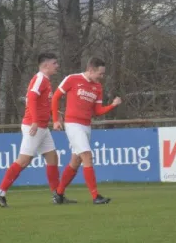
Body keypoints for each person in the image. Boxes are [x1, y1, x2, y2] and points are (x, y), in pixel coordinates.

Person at [0, 52, 76, 207]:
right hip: (34, 127)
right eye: (54, 63)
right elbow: (31, 98)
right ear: (45, 65)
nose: (57, 66)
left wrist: (54, 114)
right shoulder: (40, 79)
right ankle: (0, 193)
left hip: (42, 128)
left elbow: (42, 103)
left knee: (52, 158)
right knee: (24, 160)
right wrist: (35, 122)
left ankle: (57, 195)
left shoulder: (45, 80)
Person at [51, 57, 122, 205]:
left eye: (103, 74)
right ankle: (95, 196)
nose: (102, 77)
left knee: (75, 161)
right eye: (100, 74)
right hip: (73, 124)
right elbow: (55, 97)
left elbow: (97, 111)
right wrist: (56, 119)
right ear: (91, 70)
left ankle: (58, 194)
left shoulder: (97, 87)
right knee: (87, 156)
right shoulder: (72, 79)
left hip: (86, 126)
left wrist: (112, 105)